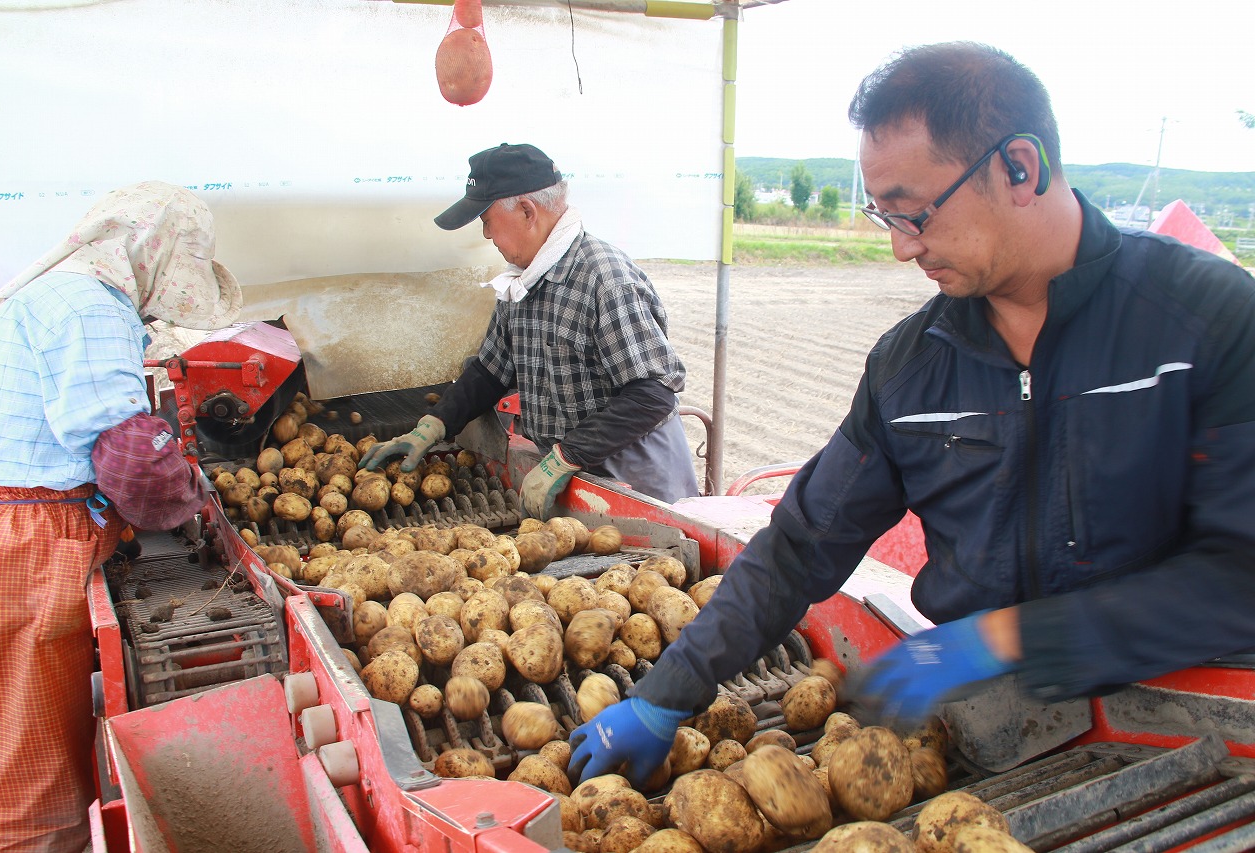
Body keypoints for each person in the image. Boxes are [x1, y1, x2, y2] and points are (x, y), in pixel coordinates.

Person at [569, 41, 1255, 786]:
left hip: (1200, 734)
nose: (901, 248)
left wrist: (1015, 637)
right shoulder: (912, 366)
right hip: (993, 736)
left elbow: (1239, 573)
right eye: (882, 216)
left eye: (915, 213)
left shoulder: (1206, 323)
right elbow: (800, 546)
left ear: (1019, 168)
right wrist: (665, 696)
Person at [0, 181, 242, 852]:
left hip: (12, 531)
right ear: (157, 253)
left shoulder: (60, 291)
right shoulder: (90, 306)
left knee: (10, 733)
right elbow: (129, 460)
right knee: (20, 755)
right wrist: (192, 504)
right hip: (19, 548)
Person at [360, 142, 698, 517]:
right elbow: (490, 370)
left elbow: (653, 393)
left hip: (635, 477)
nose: (486, 234)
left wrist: (565, 457)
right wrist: (433, 426)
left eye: (487, 220)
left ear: (526, 211)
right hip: (572, 471)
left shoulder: (605, 279)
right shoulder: (522, 283)